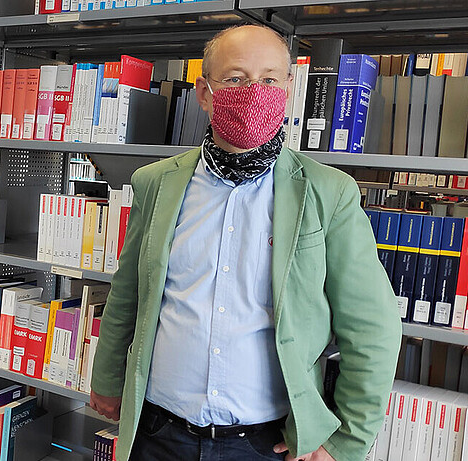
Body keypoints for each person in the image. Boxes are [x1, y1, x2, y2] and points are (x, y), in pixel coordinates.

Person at [89, 25, 401, 461]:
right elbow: (128, 293)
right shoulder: (155, 184)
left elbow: (372, 327)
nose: (255, 92)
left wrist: (346, 441)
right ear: (204, 93)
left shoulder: (330, 193)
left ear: (288, 89)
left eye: (269, 79)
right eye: (235, 79)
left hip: (263, 443)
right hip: (157, 431)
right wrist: (106, 380)